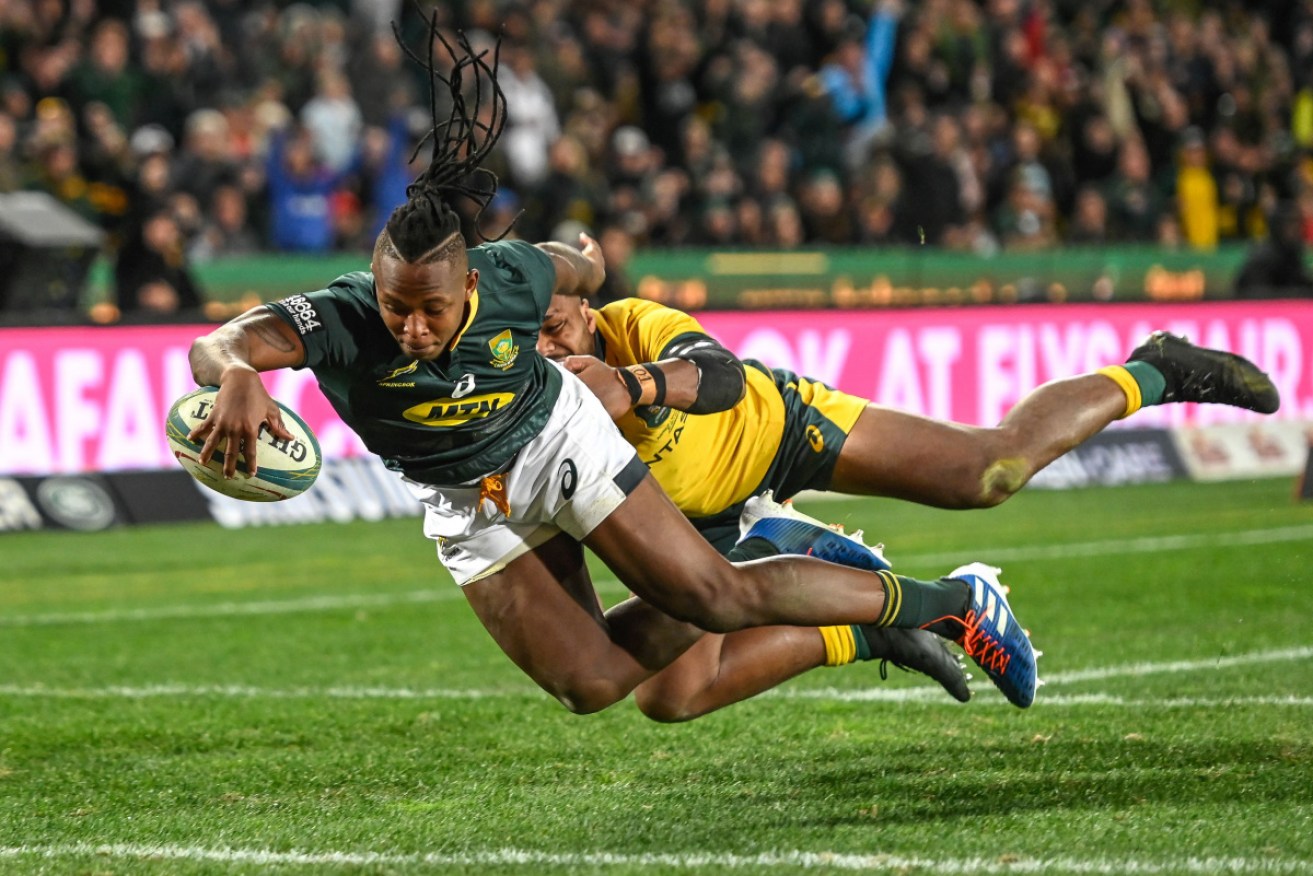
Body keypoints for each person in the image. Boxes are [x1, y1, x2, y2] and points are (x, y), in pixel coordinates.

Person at [186, 24, 1037, 721]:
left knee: (717, 600)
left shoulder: (511, 275)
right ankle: (765, 544)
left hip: (555, 437)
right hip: (461, 495)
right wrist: (237, 378)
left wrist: (590, 267)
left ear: (471, 283)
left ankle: (946, 605)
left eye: (430, 309)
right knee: (591, 685)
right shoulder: (344, 317)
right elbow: (222, 344)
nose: (409, 326)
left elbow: (570, 268)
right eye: (395, 304)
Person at [535, 260, 1281, 719]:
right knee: (671, 696)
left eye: (556, 326)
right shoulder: (536, 400)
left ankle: (1159, 369)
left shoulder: (632, 325)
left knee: (988, 473)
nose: (548, 346)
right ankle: (864, 626)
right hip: (704, 526)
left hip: (782, 427)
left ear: (587, 312)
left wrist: (631, 384)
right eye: (530, 338)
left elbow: (722, 374)